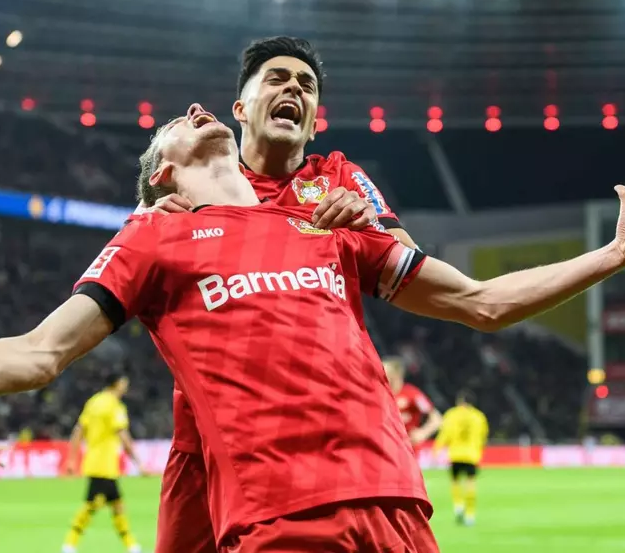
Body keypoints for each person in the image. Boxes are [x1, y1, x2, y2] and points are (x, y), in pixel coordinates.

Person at [0, 104, 625, 552]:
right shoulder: (154, 235)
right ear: (164, 177)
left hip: (399, 505)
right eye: (179, 125)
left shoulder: (330, 224)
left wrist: (613, 256)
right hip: (285, 516)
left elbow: (484, 301)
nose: (197, 110)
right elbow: (41, 351)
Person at [143, 36, 422, 553]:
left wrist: (365, 223)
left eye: (306, 85)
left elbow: (409, 266)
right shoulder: (200, 179)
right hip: (208, 429)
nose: (294, 87)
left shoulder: (337, 178)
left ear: (314, 123)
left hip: (315, 430)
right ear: (240, 109)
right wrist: (154, 218)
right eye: (277, 78)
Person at [61, 372, 144, 553]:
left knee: (117, 505)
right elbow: (123, 435)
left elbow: (78, 431)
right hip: (105, 465)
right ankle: (69, 544)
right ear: (117, 384)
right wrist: (138, 463)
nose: (125, 387)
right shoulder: (114, 406)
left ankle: (132, 546)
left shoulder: (93, 402)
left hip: (93, 462)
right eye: (124, 383)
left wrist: (71, 459)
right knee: (92, 505)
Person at [433, 390, 488, 526]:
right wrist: (478, 449)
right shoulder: (479, 416)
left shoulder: (451, 414)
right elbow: (483, 435)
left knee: (455, 481)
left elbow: (445, 434)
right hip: (471, 455)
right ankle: (470, 515)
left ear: (460, 401)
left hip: (455, 454)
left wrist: (437, 449)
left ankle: (458, 506)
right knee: (470, 482)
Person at [383, 358, 443, 447]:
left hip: (407, 447)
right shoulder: (380, 395)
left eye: (384, 371)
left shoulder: (413, 394)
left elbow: (437, 418)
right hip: (386, 445)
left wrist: (423, 433)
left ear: (395, 375)